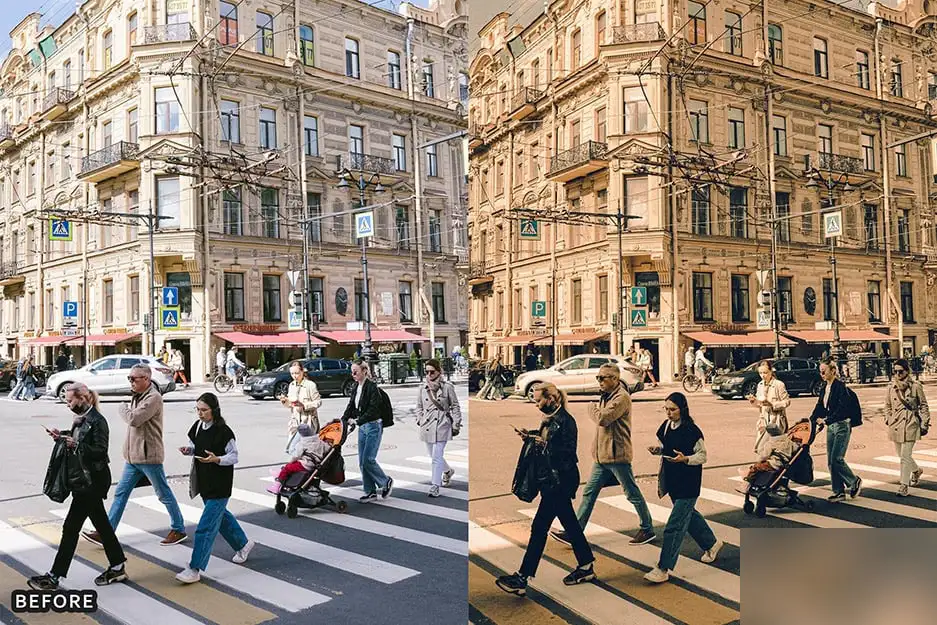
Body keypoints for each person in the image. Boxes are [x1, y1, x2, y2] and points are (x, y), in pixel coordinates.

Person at [495, 383, 596, 596]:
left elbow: (568, 453)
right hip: (551, 480)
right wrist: (530, 436)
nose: (537, 404)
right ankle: (586, 565)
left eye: (539, 400)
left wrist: (545, 445)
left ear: (550, 399)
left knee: (539, 527)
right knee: (570, 524)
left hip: (559, 481)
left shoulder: (566, 421)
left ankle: (522, 577)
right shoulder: (550, 418)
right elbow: (546, 439)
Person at [28, 383, 129, 590]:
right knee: (102, 525)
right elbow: (78, 438)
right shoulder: (82, 418)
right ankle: (118, 566)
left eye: (70, 400)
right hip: (82, 479)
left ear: (82, 399)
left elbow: (100, 451)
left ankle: (55, 576)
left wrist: (76, 445)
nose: (67, 404)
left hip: (92, 481)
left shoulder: (97, 421)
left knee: (71, 528)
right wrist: (61, 436)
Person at [82, 364, 187, 547]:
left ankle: (178, 529)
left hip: (148, 456)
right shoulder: (139, 395)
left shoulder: (153, 397)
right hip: (133, 457)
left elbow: (134, 419)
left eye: (134, 379)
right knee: (121, 493)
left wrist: (122, 407)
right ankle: (106, 532)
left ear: (146, 379)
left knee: (163, 493)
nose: (130, 382)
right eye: (129, 378)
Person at [550, 364, 655, 547]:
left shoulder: (621, 397)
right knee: (589, 493)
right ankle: (575, 532)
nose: (599, 381)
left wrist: (591, 407)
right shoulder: (607, 395)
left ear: (615, 379)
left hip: (616, 455)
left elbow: (603, 419)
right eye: (598, 377)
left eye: (602, 378)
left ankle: (647, 529)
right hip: (602, 456)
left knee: (631, 493)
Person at [175, 393, 254, 583]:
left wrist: (217, 459)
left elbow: (234, 456)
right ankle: (243, 544)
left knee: (205, 527)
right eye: (198, 409)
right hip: (204, 482)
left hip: (220, 484)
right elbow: (197, 446)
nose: (200, 413)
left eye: (204, 410)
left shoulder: (223, 431)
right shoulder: (197, 427)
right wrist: (189, 450)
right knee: (222, 518)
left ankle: (194, 568)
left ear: (214, 410)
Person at [644, 393, 722, 584]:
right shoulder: (665, 426)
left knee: (674, 526)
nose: (669, 413)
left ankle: (663, 568)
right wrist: (659, 450)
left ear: (682, 409)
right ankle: (712, 543)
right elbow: (668, 447)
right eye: (666, 409)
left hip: (689, 483)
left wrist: (686, 459)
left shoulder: (691, 430)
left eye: (673, 409)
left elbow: (702, 456)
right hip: (673, 482)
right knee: (690, 516)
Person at [810, 359, 862, 502]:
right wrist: (810, 421)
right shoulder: (824, 387)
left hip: (841, 425)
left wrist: (826, 420)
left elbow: (842, 409)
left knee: (837, 459)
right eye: (820, 371)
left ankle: (854, 481)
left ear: (833, 371)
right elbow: (820, 406)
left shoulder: (840, 387)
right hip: (831, 426)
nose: (821, 374)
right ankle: (838, 492)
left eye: (824, 371)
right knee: (831, 461)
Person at [342, 360, 393, 502]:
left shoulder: (372, 387)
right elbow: (351, 406)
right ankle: (370, 491)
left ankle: (385, 481)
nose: (353, 374)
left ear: (364, 371)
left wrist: (357, 421)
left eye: (355, 372)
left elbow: (373, 410)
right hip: (363, 427)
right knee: (362, 461)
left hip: (373, 426)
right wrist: (342, 421)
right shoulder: (356, 387)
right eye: (352, 372)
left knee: (368, 459)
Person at [415, 358, 462, 497]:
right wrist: (419, 419)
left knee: (436, 456)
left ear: (439, 372)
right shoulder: (422, 388)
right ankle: (447, 471)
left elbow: (455, 406)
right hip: (427, 425)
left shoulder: (447, 387)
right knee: (433, 455)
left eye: (432, 372)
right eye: (427, 372)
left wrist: (456, 423)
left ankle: (435, 485)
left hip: (442, 424)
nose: (429, 375)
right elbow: (419, 406)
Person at [884, 358, 931, 496]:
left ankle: (904, 485)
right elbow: (887, 406)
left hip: (911, 424)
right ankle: (916, 471)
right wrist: (888, 418)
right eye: (895, 371)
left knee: (905, 456)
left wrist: (924, 423)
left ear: (907, 371)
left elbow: (923, 405)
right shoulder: (891, 387)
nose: (898, 374)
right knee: (901, 455)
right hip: (895, 424)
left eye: (901, 371)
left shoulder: (916, 386)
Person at [266, 423, 332, 495]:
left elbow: (296, 455)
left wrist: (291, 461)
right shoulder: (320, 441)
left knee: (288, 467)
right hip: (315, 464)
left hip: (306, 464)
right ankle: (280, 472)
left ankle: (277, 485)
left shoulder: (303, 443)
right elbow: (328, 448)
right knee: (292, 466)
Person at [279, 360, 322, 454]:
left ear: (302, 371)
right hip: (295, 423)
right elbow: (291, 405)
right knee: (295, 450)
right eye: (292, 373)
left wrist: (304, 405)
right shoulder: (292, 385)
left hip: (307, 423)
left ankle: (303, 462)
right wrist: (285, 401)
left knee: (293, 449)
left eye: (297, 373)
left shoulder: (310, 385)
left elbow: (318, 402)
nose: (294, 376)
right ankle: (304, 462)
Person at [749, 360, 790, 454]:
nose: (763, 375)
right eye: (760, 373)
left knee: (765, 448)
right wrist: (753, 401)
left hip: (776, 421)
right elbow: (760, 405)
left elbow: (787, 402)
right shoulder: (760, 385)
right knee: (761, 449)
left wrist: (772, 404)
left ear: (771, 371)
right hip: (763, 421)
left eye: (765, 372)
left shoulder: (779, 384)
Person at [739, 422, 797, 491]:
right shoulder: (788, 441)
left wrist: (758, 461)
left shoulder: (771, 443)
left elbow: (764, 456)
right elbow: (795, 448)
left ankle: (746, 486)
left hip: (774, 464)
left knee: (756, 467)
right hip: (785, 464)